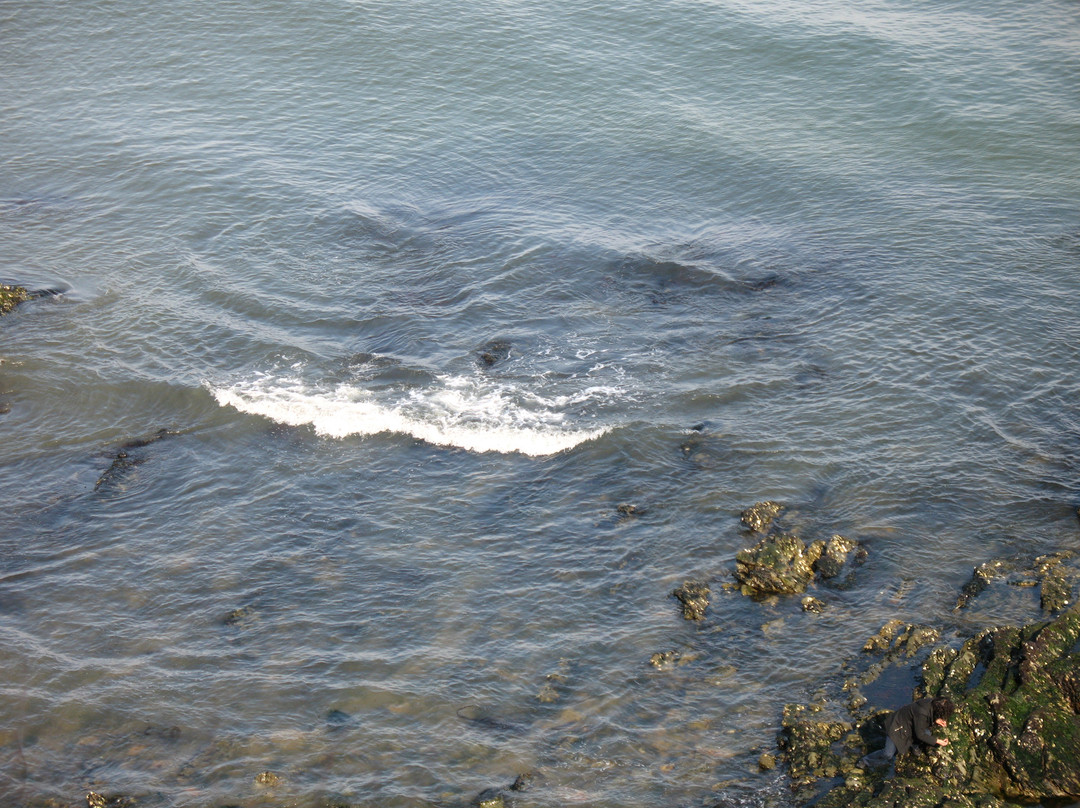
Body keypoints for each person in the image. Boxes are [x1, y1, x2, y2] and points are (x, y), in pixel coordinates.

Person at [861, 696, 955, 767]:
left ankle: (914, 745)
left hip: (910, 724)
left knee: (928, 734)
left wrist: (936, 719)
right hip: (897, 725)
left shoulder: (932, 703)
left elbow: (928, 718)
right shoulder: (922, 711)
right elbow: (920, 735)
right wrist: (938, 741)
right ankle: (865, 761)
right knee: (888, 754)